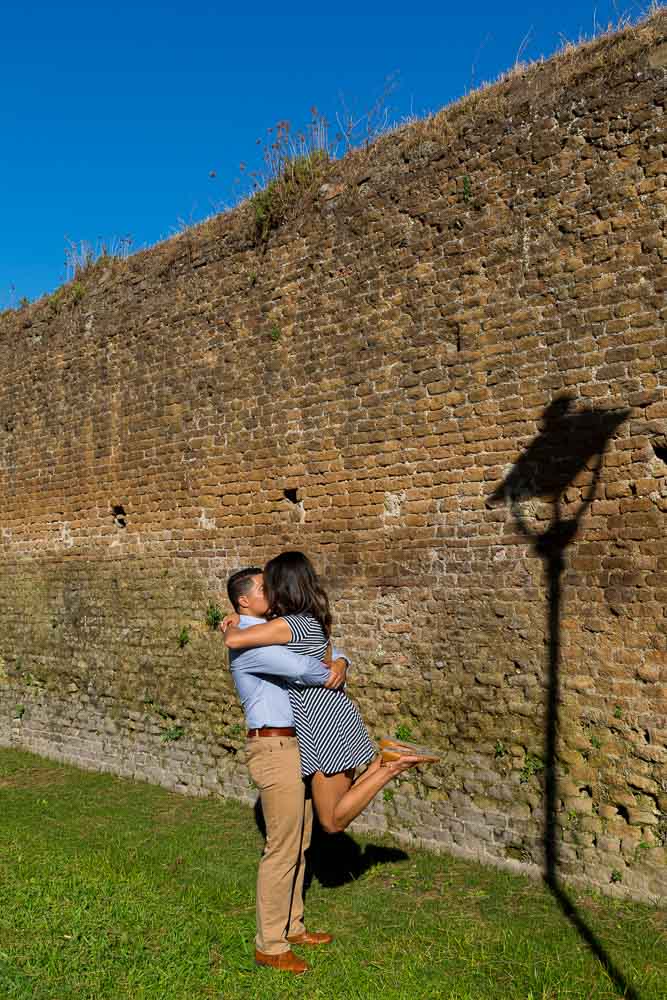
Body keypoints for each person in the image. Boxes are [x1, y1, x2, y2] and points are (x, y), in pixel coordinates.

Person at [224, 552, 438, 840]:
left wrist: (234, 622)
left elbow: (235, 640)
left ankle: (391, 765)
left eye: (270, 584)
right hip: (327, 714)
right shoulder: (310, 619)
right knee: (333, 810)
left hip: (320, 719)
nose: (269, 591)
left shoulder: (288, 625)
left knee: (331, 821)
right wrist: (340, 662)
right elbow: (326, 653)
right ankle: (385, 760)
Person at [225, 565, 346, 975]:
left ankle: (292, 926)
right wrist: (332, 668)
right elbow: (301, 667)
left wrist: (340, 658)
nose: (272, 592)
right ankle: (270, 945)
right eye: (263, 588)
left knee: (301, 840)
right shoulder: (248, 643)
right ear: (243, 601)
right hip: (273, 746)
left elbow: (318, 647)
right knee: (281, 847)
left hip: (295, 743)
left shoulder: (266, 628)